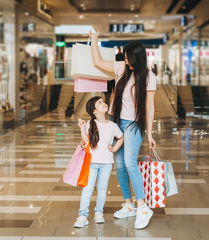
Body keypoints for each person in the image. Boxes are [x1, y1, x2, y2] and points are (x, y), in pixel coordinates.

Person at [89, 29, 157, 229]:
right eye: (125, 59)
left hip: (134, 124)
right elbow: (97, 62)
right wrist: (94, 40)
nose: (126, 62)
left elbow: (149, 107)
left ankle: (143, 206)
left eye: (129, 59)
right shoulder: (121, 69)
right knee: (118, 164)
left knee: (129, 162)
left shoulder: (148, 77)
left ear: (137, 58)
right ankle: (129, 205)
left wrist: (150, 132)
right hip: (115, 121)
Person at [74, 96, 124, 228]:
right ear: (94, 111)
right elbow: (86, 142)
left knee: (102, 189)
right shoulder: (91, 124)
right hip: (91, 162)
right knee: (88, 189)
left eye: (103, 101)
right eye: (100, 102)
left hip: (107, 163)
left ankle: (99, 212)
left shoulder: (113, 126)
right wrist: (82, 128)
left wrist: (114, 148)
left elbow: (121, 137)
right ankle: (83, 215)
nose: (104, 103)